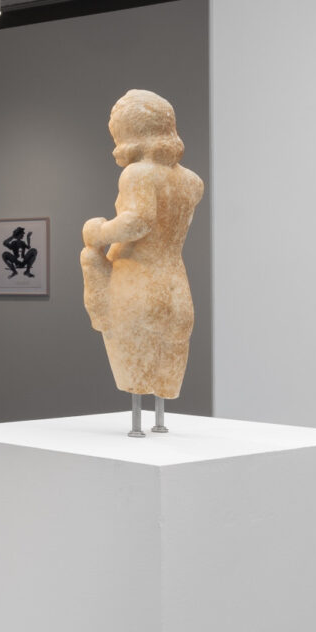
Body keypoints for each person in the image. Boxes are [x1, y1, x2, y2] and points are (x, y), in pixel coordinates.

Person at [80, 89, 204, 412]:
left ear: (131, 133)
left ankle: (139, 421)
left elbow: (138, 223)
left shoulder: (137, 174)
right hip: (177, 291)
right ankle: (158, 419)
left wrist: (97, 231)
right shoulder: (192, 182)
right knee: (164, 379)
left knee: (134, 378)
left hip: (136, 289)